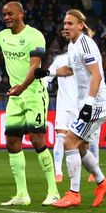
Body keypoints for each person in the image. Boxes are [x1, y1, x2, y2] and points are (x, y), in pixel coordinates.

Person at [0, 1, 59, 206]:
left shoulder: (34, 36)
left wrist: (22, 87)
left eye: (10, 14)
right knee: (12, 142)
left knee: (37, 139)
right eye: (4, 15)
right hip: (15, 95)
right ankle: (22, 194)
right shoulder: (2, 36)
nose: (6, 18)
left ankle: (53, 191)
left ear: (21, 14)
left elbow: (34, 67)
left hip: (33, 94)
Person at [34, 9, 106, 207]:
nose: (65, 27)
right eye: (64, 24)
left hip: (97, 104)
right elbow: (70, 69)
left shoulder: (86, 44)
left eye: (70, 23)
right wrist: (48, 72)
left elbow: (96, 75)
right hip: (90, 104)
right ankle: (103, 182)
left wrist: (87, 105)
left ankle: (74, 194)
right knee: (81, 147)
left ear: (81, 25)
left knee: (69, 141)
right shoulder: (73, 45)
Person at [42, 44, 77, 183]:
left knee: (83, 142)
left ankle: (92, 171)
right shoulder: (60, 60)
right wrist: (41, 90)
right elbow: (47, 77)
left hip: (81, 106)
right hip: (64, 105)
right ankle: (58, 172)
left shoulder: (85, 60)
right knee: (61, 137)